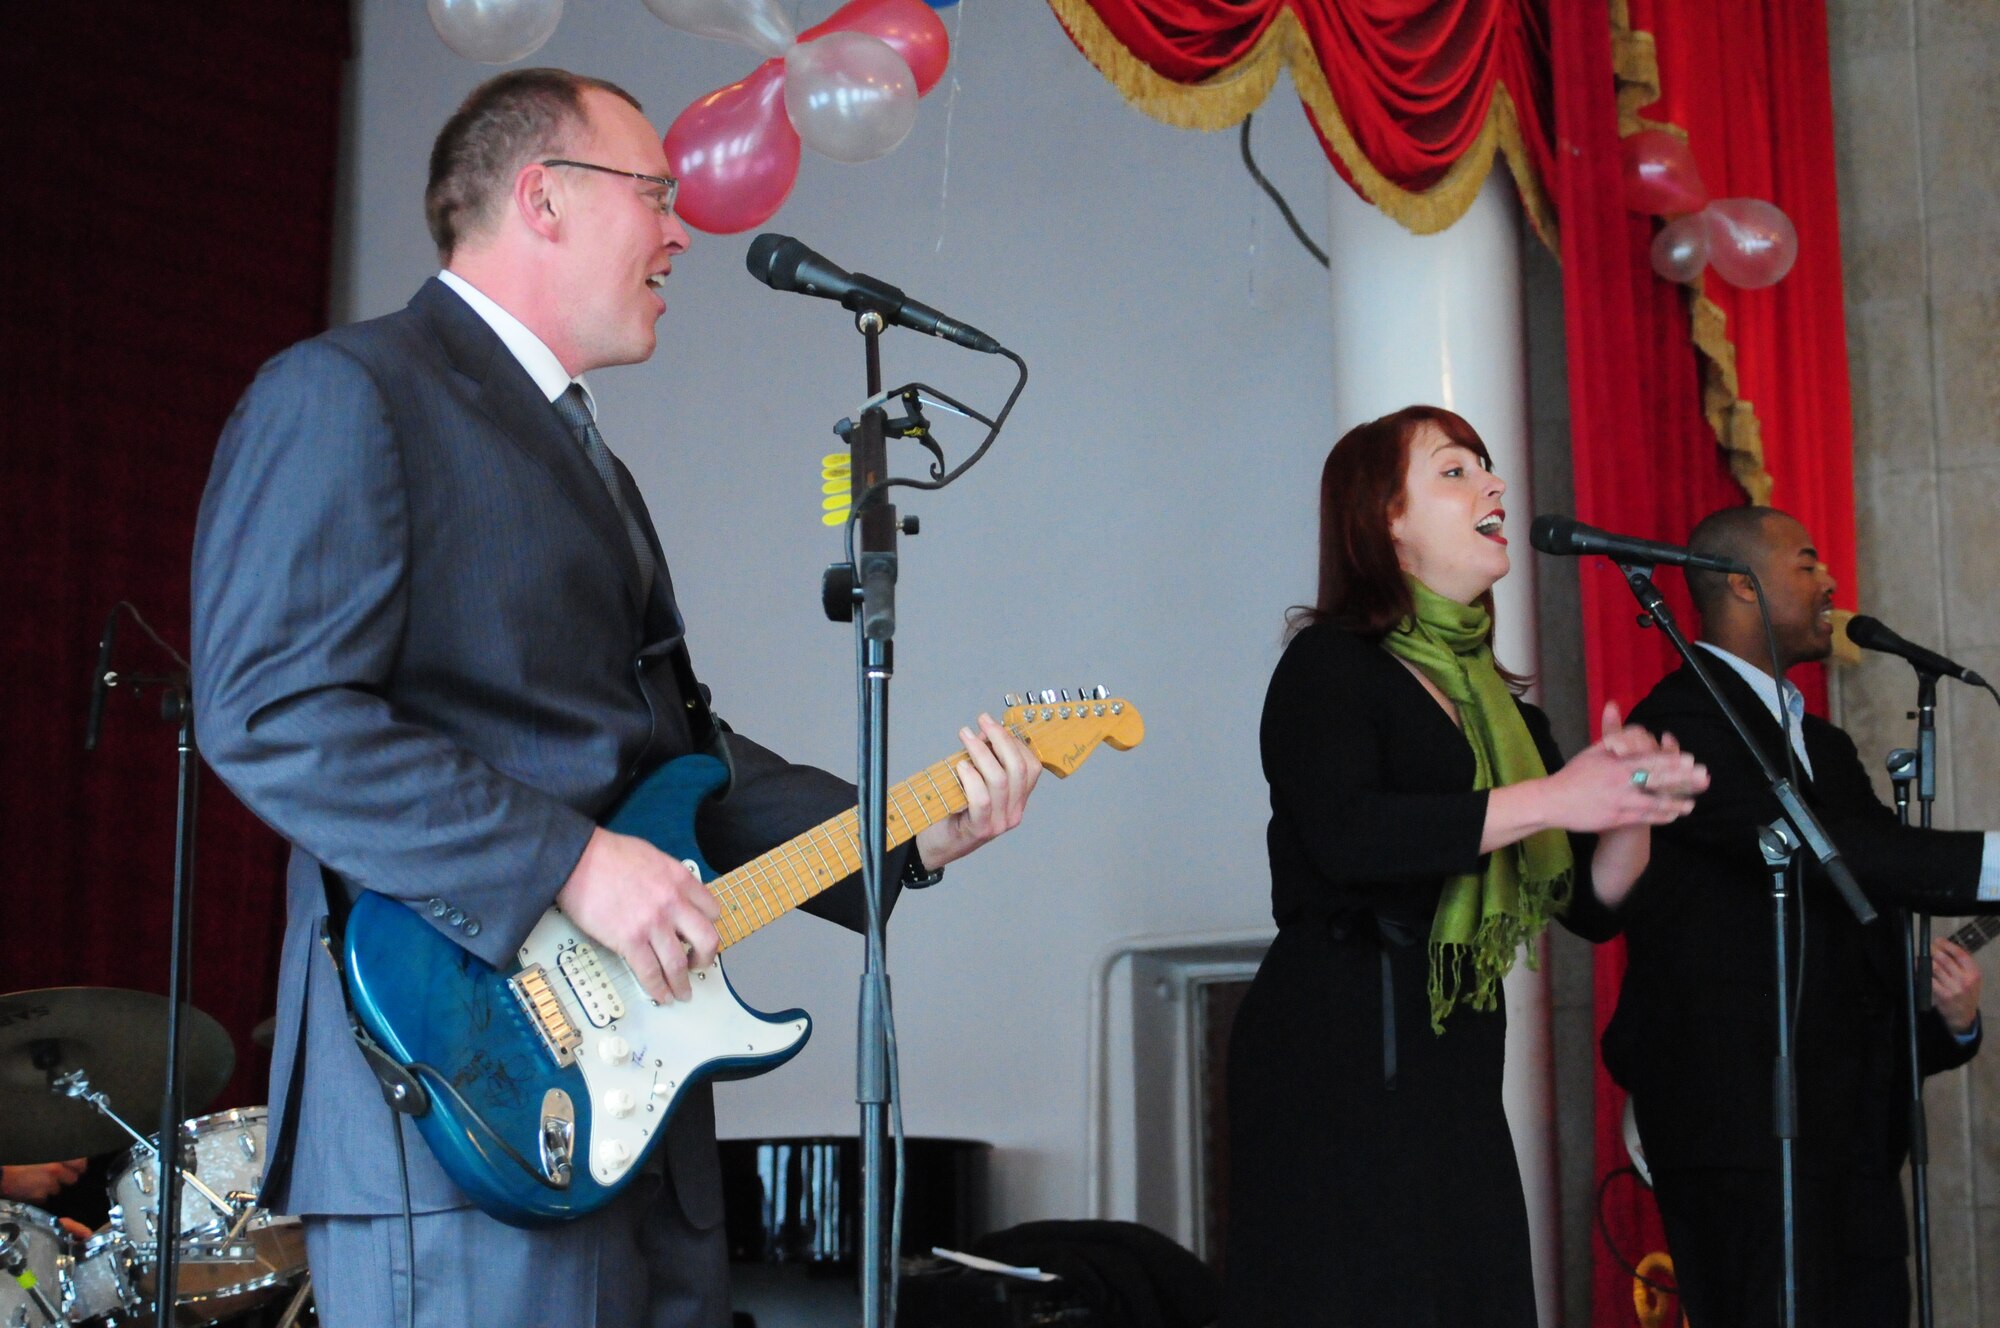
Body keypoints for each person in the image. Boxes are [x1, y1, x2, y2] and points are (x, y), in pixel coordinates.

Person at [190, 69, 1039, 1328]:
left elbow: (675, 759)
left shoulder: (589, 454)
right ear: (541, 196)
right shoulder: (351, 391)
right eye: (655, 193)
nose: (681, 230)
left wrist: (900, 830)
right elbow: (270, 711)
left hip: (635, 1109)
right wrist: (568, 860)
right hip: (459, 1102)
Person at [1219, 405, 1709, 1326]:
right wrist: (1559, 798)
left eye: (1487, 467)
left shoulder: (1504, 711)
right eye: (1455, 471)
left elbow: (1590, 907)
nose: (1493, 486)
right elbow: (1351, 837)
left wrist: (1632, 810)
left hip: (1453, 1056)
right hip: (1333, 1046)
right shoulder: (1329, 666)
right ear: (1385, 520)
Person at [1602, 505, 1995, 1328]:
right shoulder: (1681, 724)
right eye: (1807, 562)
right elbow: (1841, 853)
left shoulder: (1824, 744)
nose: (1830, 582)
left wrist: (1948, 1026)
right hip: (1742, 1138)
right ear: (1742, 587)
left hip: (1846, 1137)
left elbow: (1864, 913)